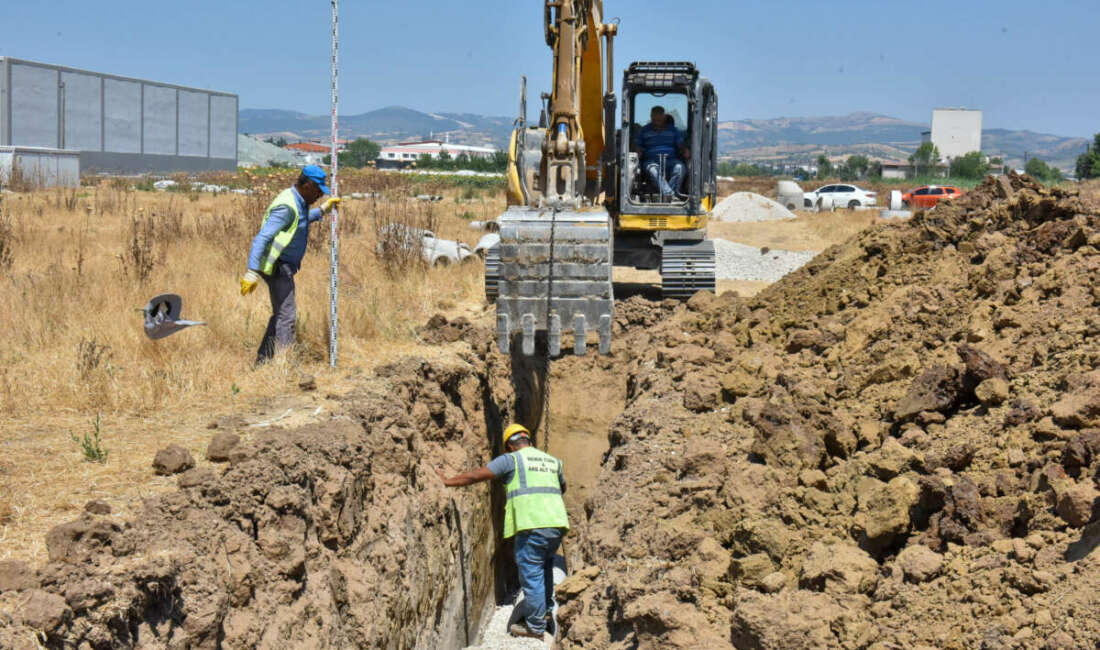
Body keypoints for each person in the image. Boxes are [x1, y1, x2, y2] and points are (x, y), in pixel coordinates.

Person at [435, 424, 569, 641]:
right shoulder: (553, 461)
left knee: (532, 573)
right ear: (529, 441)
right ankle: (545, 612)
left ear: (510, 446)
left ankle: (535, 627)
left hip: (532, 524)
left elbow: (477, 475)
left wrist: (448, 481)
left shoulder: (512, 459)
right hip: (556, 524)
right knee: (545, 567)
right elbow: (562, 488)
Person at [240, 164, 340, 364]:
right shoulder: (287, 206)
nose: (320, 195)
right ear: (308, 186)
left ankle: (264, 359)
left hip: (283, 265)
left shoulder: (298, 201)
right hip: (278, 266)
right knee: (286, 315)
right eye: (319, 191)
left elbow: (301, 221)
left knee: (280, 314)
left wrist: (322, 210)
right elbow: (262, 238)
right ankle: (283, 363)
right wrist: (251, 272)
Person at [633, 105, 689, 199]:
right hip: (651, 160)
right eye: (654, 120)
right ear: (651, 117)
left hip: (671, 160)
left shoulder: (673, 130)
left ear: (664, 118)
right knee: (653, 171)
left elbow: (680, 144)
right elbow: (638, 146)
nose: (656, 123)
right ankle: (670, 195)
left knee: (680, 168)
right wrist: (638, 152)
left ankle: (668, 196)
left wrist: (685, 150)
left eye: (659, 120)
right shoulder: (644, 131)